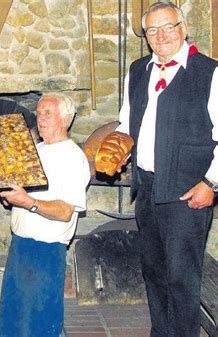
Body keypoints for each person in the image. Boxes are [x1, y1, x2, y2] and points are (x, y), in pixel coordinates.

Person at [116, 2, 218, 336]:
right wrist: (116, 151)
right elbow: (125, 122)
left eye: (167, 27)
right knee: (155, 271)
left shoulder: (210, 73)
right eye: (152, 30)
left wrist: (211, 183)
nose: (160, 36)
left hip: (188, 192)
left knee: (182, 276)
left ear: (183, 27)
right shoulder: (138, 70)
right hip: (146, 188)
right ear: (145, 36)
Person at [0, 94, 90, 337]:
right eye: (38, 113)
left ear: (66, 118)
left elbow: (65, 211)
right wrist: (11, 197)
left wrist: (29, 202)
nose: (40, 118)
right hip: (20, 244)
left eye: (48, 113)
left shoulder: (73, 157)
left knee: (39, 322)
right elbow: (22, 196)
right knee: (13, 320)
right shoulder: (34, 151)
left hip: (46, 250)